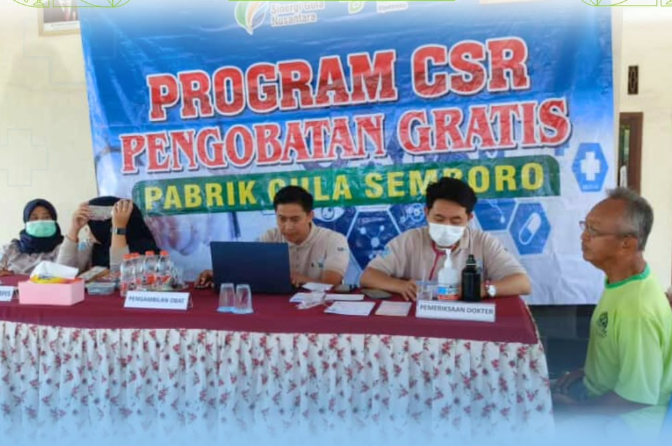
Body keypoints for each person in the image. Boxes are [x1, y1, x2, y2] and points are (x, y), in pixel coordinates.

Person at [552, 188, 672, 435]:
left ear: (627, 244)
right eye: (585, 226)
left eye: (593, 231)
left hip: (626, 425)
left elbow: (637, 396)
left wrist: (576, 412)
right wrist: (587, 373)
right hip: (600, 398)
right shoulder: (623, 282)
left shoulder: (637, 310)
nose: (584, 236)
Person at [360, 177, 531, 301]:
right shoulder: (409, 240)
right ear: (427, 213)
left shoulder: (484, 242)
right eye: (439, 219)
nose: (446, 227)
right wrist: (400, 286)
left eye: (456, 220)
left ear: (469, 218)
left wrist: (481, 290)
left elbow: (522, 283)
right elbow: (369, 276)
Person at [197, 186, 350, 287]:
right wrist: (219, 275)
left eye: (295, 219)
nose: (288, 227)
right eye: (282, 219)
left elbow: (331, 285)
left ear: (310, 216)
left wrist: (298, 278)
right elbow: (248, 271)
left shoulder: (334, 240)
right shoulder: (270, 238)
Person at [57, 196, 160, 272]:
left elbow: (121, 275)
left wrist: (118, 229)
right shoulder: (91, 245)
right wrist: (74, 229)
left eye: (91, 225)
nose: (87, 231)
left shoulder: (145, 250)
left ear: (105, 226)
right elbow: (62, 272)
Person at [0, 199, 64, 275]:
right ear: (26, 221)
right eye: (34, 218)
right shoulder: (10, 249)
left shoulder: (63, 249)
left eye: (46, 217)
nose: (40, 222)